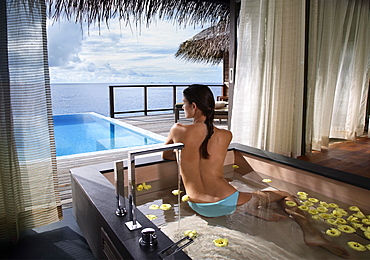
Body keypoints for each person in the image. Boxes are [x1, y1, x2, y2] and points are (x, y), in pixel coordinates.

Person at [162, 84, 349, 258]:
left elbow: (166, 156)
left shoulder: (178, 129)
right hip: (228, 201)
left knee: (229, 185)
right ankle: (311, 233)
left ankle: (252, 208)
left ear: (194, 106)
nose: (183, 106)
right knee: (285, 194)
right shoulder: (225, 135)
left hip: (197, 203)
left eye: (184, 103)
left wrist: (185, 158)